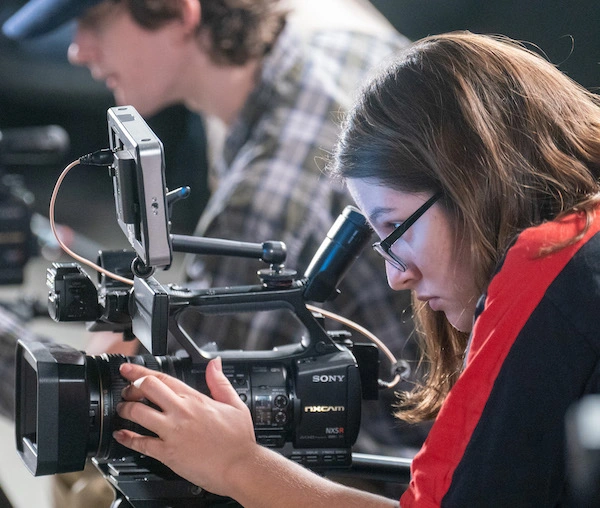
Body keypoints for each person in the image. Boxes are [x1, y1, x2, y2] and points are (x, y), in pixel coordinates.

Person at [108, 30, 600, 506]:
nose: (396, 276)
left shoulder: (551, 263)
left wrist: (237, 467)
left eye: (396, 229)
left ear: (472, 179)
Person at [1, 0, 420, 506]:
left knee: (89, 485)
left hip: (392, 462)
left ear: (178, 12)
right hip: (379, 402)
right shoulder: (320, 31)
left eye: (93, 23)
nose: (76, 50)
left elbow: (176, 402)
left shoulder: (273, 184)